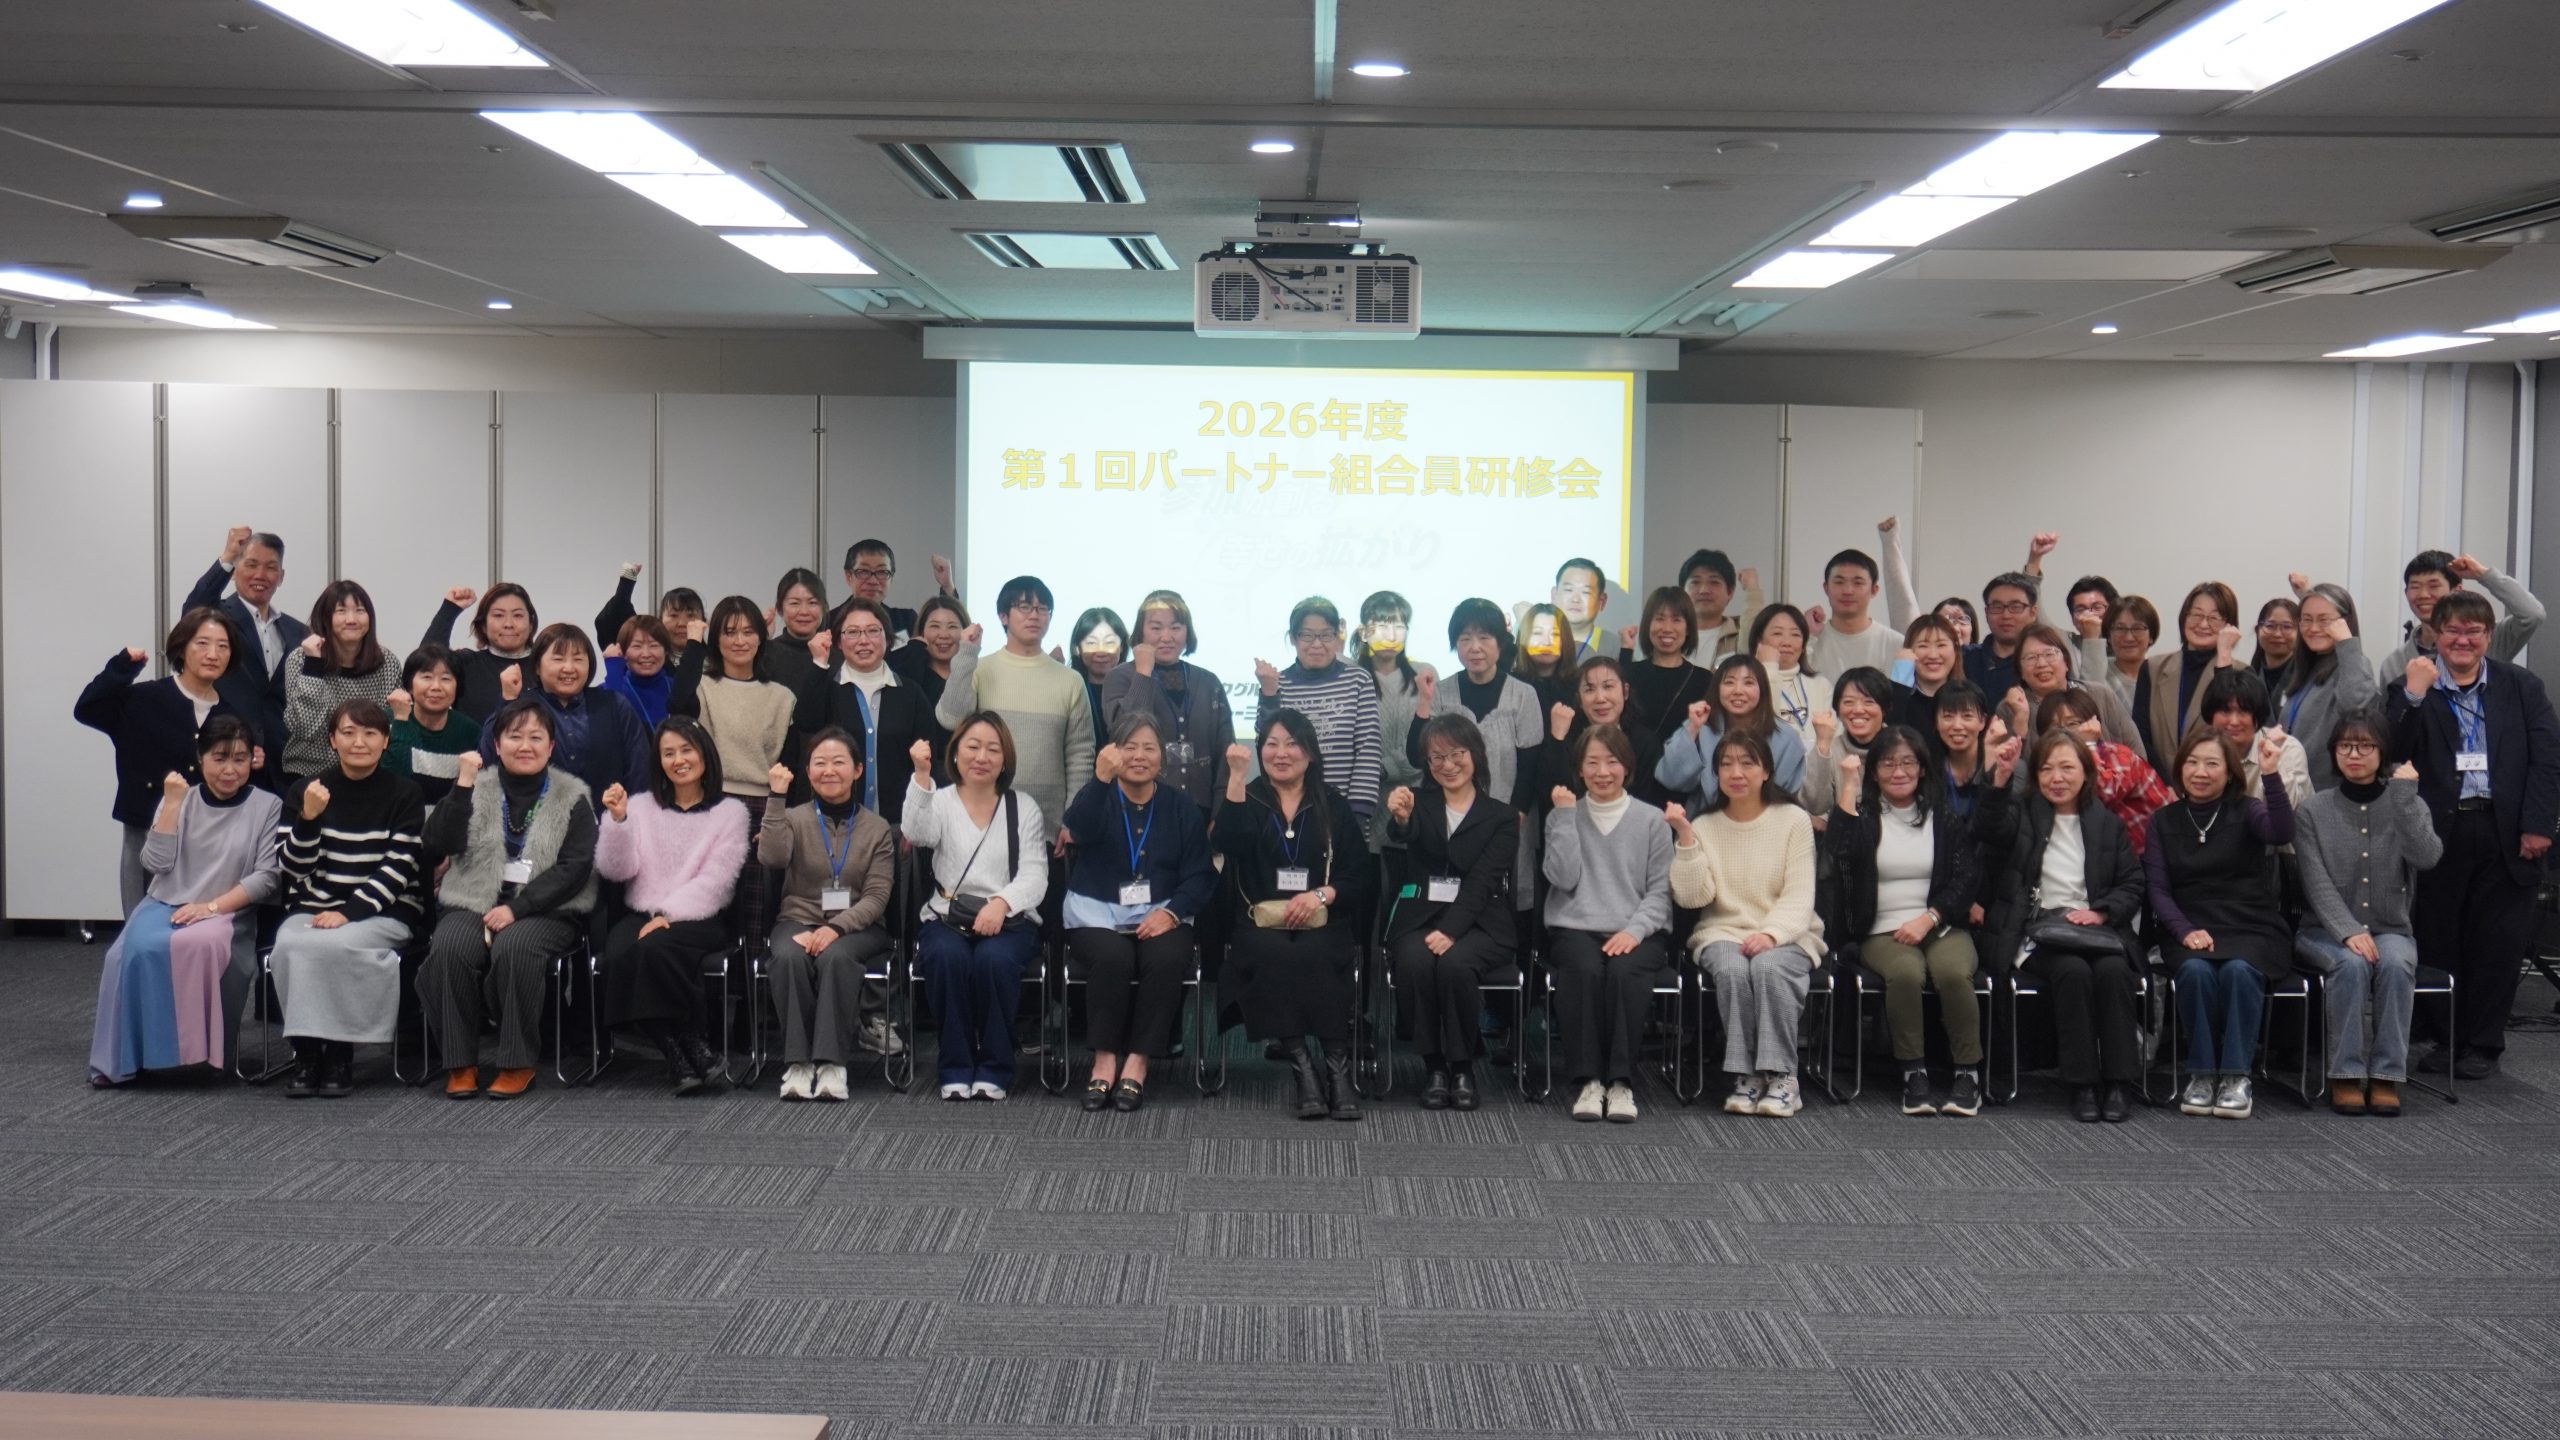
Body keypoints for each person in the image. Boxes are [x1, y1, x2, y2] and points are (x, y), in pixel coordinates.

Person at [2389, 592, 2560, 1080]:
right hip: (2438, 832)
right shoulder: (2412, 684)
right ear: (2436, 635)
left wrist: (2538, 825)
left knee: (2498, 943)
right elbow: (2392, 751)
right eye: (2452, 631)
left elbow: (2548, 760)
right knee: (2441, 939)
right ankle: (2447, 1039)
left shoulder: (2520, 686)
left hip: (2508, 831)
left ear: (2488, 635)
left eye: (2474, 631)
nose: (2462, 640)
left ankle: (2483, 1044)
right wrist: (2414, 695)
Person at [415, 696, 598, 1101]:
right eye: (515, 737)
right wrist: (461, 788)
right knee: (450, 946)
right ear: (497, 745)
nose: (525, 746)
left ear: (551, 746)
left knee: (515, 947)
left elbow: (575, 867)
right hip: (473, 899)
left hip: (547, 909)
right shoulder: (476, 787)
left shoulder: (572, 796)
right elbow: (437, 843)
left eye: (536, 737)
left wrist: (518, 908)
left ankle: (517, 1061)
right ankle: (460, 1061)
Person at [88, 715, 281, 1086]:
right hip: (164, 903)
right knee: (128, 953)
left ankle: (195, 1055)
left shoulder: (267, 805)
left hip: (226, 909)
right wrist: (173, 806)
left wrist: (211, 908)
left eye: (239, 759)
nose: (230, 770)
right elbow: (155, 864)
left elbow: (266, 877)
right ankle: (129, 1059)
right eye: (219, 758)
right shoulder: (179, 798)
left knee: (201, 944)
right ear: (201, 758)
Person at [1978, 730, 2147, 1123]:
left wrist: (2102, 912)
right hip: (2036, 932)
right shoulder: (2022, 814)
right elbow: (1988, 827)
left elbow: (2133, 882)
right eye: (2046, 769)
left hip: (2095, 930)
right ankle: (2082, 1084)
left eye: (2067, 768)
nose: (2057, 777)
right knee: (2072, 972)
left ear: (2086, 773)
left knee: (2113, 971)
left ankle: (2119, 1082)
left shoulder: (2106, 823)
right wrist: (2000, 777)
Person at [1823, 723, 1986, 1117]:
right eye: (1888, 764)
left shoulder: (1942, 817)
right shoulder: (1863, 816)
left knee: (1952, 973)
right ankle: (1914, 1073)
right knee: (1906, 973)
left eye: (1908, 763)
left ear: (1922, 768)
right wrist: (1849, 784)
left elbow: (1966, 877)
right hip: (1881, 929)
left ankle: (1968, 1074)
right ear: (1875, 771)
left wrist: (1930, 918)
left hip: (1939, 923)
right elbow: (1839, 850)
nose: (1899, 772)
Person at [270, 699, 427, 1098]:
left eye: (370, 733)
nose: (359, 742)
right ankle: (307, 1054)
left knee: (336, 945)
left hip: (386, 908)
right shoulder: (307, 790)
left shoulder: (405, 793)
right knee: (288, 945)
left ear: (386, 740)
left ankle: (340, 1054)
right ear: (332, 740)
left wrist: (348, 912)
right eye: (348, 732)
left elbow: (399, 867)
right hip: (314, 905)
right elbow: (293, 868)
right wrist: (308, 819)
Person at [1219, 710, 1372, 1120]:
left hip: (1322, 918)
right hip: (1259, 921)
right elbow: (1228, 843)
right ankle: (1304, 1068)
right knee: (1278, 955)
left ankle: (1337, 1069)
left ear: (1311, 753)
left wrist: (1322, 895)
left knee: (1317, 954)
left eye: (1292, 744)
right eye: (1271, 744)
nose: (1281, 753)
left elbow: (1358, 874)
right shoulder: (1248, 796)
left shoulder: (1332, 804)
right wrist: (1236, 778)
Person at [1060, 714, 1216, 1112]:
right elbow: (1079, 829)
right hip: (1096, 911)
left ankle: (1138, 1062)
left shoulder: (1181, 807)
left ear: (1162, 756)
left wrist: (1173, 913)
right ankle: (1104, 1060)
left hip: (1162, 910)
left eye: (1149, 748)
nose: (1139, 756)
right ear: (1113, 752)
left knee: (1166, 958)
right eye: (1129, 747)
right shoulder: (1098, 796)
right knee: (1113, 957)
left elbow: (1200, 874)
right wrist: (1100, 780)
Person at [2293, 716, 2441, 1116]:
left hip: (2391, 927)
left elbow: (2427, 857)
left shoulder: (2407, 802)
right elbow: (2315, 882)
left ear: (2382, 752)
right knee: (2351, 963)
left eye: (2365, 747)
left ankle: (2386, 1075)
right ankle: (2345, 1074)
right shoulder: (2313, 810)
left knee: (2395, 963)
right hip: (2323, 931)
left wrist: (2404, 800)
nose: (2354, 755)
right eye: (2345, 746)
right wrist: (2346, 931)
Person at [1672, 731, 1824, 1118]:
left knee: (1769, 967)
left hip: (1789, 931)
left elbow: (1800, 894)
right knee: (1733, 970)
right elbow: (1693, 898)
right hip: (1722, 932)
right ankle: (1748, 1075)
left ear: (1766, 771)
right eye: (1726, 764)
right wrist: (1686, 839)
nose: (1736, 772)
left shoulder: (1793, 819)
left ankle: (1783, 1076)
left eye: (1747, 763)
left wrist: (1771, 934)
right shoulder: (1705, 824)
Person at [596, 716, 751, 1095]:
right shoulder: (638, 806)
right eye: (668, 753)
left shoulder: (731, 811)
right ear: (658, 761)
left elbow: (717, 880)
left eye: (687, 750)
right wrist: (618, 822)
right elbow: (616, 870)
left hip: (699, 915)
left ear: (704, 755)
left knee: (653, 949)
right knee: (618, 954)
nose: (678, 760)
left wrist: (668, 914)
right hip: (641, 911)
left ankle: (688, 1048)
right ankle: (685, 1051)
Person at [2150, 726, 2297, 1120]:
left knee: (2238, 970)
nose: (2201, 772)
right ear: (2180, 768)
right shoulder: (2162, 820)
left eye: (2212, 764)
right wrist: (2184, 930)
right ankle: (2201, 1074)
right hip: (2188, 925)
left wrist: (2270, 773)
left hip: (2250, 925)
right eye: (2192, 763)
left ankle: (2235, 1076)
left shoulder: (2247, 809)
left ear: (2230, 772)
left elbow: (2282, 831)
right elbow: (2158, 889)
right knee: (2195, 971)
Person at [905, 713, 1049, 1100]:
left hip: (1010, 919)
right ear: (955, 753)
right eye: (973, 746)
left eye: (993, 749)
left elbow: (1035, 875)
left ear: (1005, 759)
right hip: (947, 917)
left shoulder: (1023, 807)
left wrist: (1001, 904)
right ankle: (955, 1066)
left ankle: (995, 1068)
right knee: (946, 958)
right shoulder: (939, 800)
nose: (982, 757)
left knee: (994, 961)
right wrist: (921, 777)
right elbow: (915, 833)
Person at [1383, 713, 1521, 1111]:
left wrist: (1451, 930)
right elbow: (1402, 833)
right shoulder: (1418, 802)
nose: (1448, 764)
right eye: (1436, 757)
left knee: (1456, 964)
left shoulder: (1502, 816)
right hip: (1419, 917)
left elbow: (1482, 882)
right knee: (1413, 961)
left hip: (1481, 922)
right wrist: (1402, 818)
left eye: (1456, 753)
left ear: (1474, 754)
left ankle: (1462, 1068)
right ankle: (1434, 1067)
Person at [76, 610, 251, 914]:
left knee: (196, 929)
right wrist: (122, 667)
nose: (213, 654)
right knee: (142, 926)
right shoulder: (142, 699)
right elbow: (87, 708)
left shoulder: (231, 715)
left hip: (208, 842)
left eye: (223, 646)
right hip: (145, 834)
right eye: (202, 643)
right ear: (181, 648)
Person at [1543, 722, 1674, 1123]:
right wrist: (1565, 818)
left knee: (1624, 972)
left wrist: (1634, 931)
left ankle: (1621, 1083)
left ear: (1627, 767)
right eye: (1592, 763)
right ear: (1579, 770)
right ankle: (1589, 1081)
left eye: (1612, 762)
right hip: (1575, 925)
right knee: (1583, 970)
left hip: (1638, 928)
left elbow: (1660, 892)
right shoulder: (1562, 815)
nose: (1603, 772)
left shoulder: (1653, 820)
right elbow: (1563, 879)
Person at [759, 729, 897, 1101]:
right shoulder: (793, 818)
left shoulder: (877, 828)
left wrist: (835, 928)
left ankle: (833, 1063)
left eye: (839, 762)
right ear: (807, 772)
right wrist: (776, 798)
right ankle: (799, 1063)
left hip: (858, 926)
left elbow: (877, 896)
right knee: (788, 956)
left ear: (857, 770)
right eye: (819, 763)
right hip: (798, 919)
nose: (829, 771)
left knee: (836, 957)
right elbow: (771, 857)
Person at [671, 595, 803, 950]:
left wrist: (779, 815)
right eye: (729, 632)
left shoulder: (781, 696)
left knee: (757, 910)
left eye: (748, 631)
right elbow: (678, 708)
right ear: (716, 639)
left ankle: (753, 983)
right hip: (712, 804)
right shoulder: (702, 687)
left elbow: (789, 764)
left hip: (765, 807)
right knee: (708, 904)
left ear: (762, 637)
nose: (739, 640)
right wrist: (694, 644)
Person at [938, 575, 1094, 849]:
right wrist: (966, 654)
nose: (1034, 615)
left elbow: (1080, 755)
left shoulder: (1070, 680)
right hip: (982, 822)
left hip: (1047, 828)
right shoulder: (980, 668)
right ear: (1003, 616)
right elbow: (950, 718)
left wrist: (1073, 819)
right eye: (1024, 607)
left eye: (1042, 608)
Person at [182, 526, 303, 781]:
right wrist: (227, 557)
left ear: (281, 576)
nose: (260, 574)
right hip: (228, 760)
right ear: (235, 570)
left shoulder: (299, 632)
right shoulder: (217, 617)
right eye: (251, 564)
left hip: (284, 766)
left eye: (271, 567)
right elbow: (193, 609)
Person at [799, 596, 934, 826]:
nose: (863, 640)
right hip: (836, 825)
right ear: (839, 642)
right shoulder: (827, 688)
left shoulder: (910, 693)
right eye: (852, 632)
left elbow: (927, 759)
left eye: (873, 631)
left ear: (887, 639)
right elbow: (806, 722)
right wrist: (819, 663)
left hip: (899, 825)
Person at [482, 623, 651, 801]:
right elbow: (488, 759)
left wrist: (631, 813)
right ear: (538, 666)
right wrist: (508, 700)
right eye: (558, 659)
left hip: (607, 815)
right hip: (535, 815)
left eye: (578, 659)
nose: (569, 668)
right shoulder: (522, 706)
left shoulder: (614, 704)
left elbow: (639, 767)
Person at [1407, 599, 1544, 815]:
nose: (1475, 647)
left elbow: (1530, 767)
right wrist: (1424, 700)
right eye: (1465, 639)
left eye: (1484, 638)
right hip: (1449, 816)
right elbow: (1417, 758)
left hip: (1506, 815)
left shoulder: (1523, 694)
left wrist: (1517, 814)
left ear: (1500, 643)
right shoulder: (1441, 692)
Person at [1100, 590, 1232, 813]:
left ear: (1187, 632)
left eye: (1176, 627)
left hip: (1201, 808)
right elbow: (1123, 732)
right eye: (1156, 628)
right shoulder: (1120, 677)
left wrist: (1221, 811)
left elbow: (1225, 750)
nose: (1167, 637)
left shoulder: (1209, 682)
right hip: (1139, 807)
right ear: (1141, 631)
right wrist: (1143, 673)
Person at [1254, 596, 1381, 821]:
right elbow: (1266, 745)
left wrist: (1357, 813)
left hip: (1347, 811)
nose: (1316, 644)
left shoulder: (1358, 680)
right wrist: (1269, 694)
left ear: (1337, 636)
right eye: (1307, 635)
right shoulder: (1278, 682)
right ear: (1293, 638)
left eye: (1326, 635)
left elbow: (1368, 749)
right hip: (1290, 811)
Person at [280, 579, 401, 786]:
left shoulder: (386, 662)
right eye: (341, 611)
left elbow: (388, 726)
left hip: (368, 774)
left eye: (360, 610)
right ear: (325, 617)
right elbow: (304, 728)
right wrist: (313, 665)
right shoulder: (301, 659)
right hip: (309, 773)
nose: (351, 619)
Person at [2033, 689, 2173, 856]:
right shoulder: (2048, 762)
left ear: (2093, 724)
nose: (2064, 733)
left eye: (2073, 724)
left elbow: (2104, 794)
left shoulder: (2117, 754)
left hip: (2153, 852)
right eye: (2054, 728)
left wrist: (2088, 745)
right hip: (2105, 853)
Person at [1658, 654, 1806, 806]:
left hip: (1769, 816)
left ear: (1762, 689)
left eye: (1748, 683)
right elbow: (1671, 779)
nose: (1738, 691)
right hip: (1708, 816)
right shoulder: (1701, 725)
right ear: (1717, 688)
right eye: (1729, 682)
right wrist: (1692, 729)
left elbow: (1789, 798)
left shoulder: (1786, 739)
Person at [2273, 584, 2380, 791]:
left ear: (2345, 622)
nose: (2313, 628)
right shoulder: (2306, 668)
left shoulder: (2354, 665)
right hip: (2292, 788)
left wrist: (2346, 643)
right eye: (2306, 619)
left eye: (2324, 620)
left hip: (2328, 793)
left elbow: (2356, 711)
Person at [2381, 550, 2545, 683]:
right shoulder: (2395, 662)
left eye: (2434, 586)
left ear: (2456, 591)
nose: (2423, 595)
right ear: (2406, 593)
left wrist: (2483, 574)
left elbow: (2532, 614)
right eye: (2415, 587)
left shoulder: (2484, 639)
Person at [1353, 592, 1433, 843]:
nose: (1391, 636)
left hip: (1416, 799)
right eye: (1382, 626)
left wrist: (1383, 769)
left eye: (1399, 626)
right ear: (1364, 632)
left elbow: (1430, 743)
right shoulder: (1351, 677)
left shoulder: (1424, 674)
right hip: (1364, 802)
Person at [2138, 582, 2241, 771]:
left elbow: (2231, 729)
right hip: (2159, 782)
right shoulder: (2153, 668)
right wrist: (2164, 783)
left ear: (2229, 625)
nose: (2203, 624)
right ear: (2184, 617)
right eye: (2196, 615)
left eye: (2214, 618)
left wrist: (2225, 656)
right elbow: (2140, 735)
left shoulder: (2241, 672)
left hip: (2212, 779)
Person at [1544, 656, 1667, 807]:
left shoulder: (1644, 742)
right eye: (1589, 689)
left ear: (1625, 692)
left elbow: (1645, 802)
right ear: (1579, 699)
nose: (1600, 698)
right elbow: (1550, 795)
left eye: (1608, 686)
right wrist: (1557, 739)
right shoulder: (1566, 735)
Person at [2008, 623, 2141, 753]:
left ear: (2066, 662)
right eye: (2031, 658)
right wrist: (2020, 721)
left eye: (2049, 654)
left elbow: (2136, 751)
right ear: (2020, 671)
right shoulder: (2012, 707)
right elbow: (2014, 765)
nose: (2041, 664)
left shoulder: (2099, 694)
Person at [423, 583, 538, 723]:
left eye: (518, 615)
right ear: (483, 625)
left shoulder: (543, 667)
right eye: (498, 615)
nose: (508, 624)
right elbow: (426, 662)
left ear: (531, 623)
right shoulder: (467, 663)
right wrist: (450, 609)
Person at [2199, 668, 2312, 810]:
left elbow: (2293, 810)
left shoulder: (2286, 748)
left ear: (2258, 715)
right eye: (2225, 711)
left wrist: (2273, 768)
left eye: (2243, 711)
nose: (2234, 721)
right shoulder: (2199, 749)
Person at [386, 646, 480, 810]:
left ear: (457, 686)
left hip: (446, 823)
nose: (436, 687)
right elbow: (391, 784)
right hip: (396, 820)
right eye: (427, 677)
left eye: (446, 679)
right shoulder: (387, 721)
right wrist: (401, 721)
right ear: (410, 685)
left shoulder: (470, 732)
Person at [1619, 586, 1714, 747]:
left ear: (1688, 628)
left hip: (1684, 762)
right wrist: (1626, 651)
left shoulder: (1704, 680)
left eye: (1676, 620)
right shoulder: (1632, 673)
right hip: (1635, 761)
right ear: (1648, 625)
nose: (1667, 628)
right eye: (1660, 619)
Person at [1800, 666, 1894, 817]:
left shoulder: (1900, 747)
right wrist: (1822, 744)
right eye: (1848, 702)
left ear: (1884, 708)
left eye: (1868, 702)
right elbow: (1815, 805)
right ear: (1837, 709)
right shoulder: (1831, 750)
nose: (1858, 710)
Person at [1749, 604, 1831, 768]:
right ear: (1759, 641)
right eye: (1777, 633)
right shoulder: (1747, 684)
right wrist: (1769, 669)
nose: (1787, 642)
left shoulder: (1820, 684)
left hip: (1817, 773)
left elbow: (1833, 736)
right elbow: (1762, 728)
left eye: (1795, 635)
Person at [829, 539, 957, 644]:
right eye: (863, 572)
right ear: (848, 576)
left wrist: (947, 587)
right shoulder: (829, 622)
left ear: (892, 577)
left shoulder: (906, 621)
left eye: (882, 572)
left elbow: (945, 638)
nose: (873, 581)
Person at [1805, 546, 1904, 679]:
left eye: (1858, 583)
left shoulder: (1896, 644)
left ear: (1874, 590)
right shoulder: (1810, 643)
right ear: (1826, 588)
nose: (1848, 591)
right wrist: (1806, 635)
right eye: (1839, 582)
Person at [593, 560, 703, 671]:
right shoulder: (647, 659)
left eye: (691, 615)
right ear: (660, 620)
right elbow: (610, 622)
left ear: (703, 621)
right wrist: (626, 585)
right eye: (674, 615)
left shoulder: (712, 660)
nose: (682, 623)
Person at [1964, 572, 2044, 704]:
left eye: (2016, 607)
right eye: (1997, 607)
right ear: (1986, 613)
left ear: (2033, 612)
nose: (2006, 615)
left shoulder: (2044, 662)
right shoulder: (1965, 658)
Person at [1677, 548, 1763, 664]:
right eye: (1695, 582)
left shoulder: (1738, 635)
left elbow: (1754, 630)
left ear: (1730, 592)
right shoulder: (1671, 633)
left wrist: (1752, 589)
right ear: (1682, 591)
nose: (1704, 590)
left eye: (1714, 582)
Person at [2078, 594, 2160, 715]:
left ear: (2151, 636)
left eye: (2137, 628)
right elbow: (2087, 708)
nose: (2129, 637)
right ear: (2108, 636)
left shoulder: (2161, 676)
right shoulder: (2097, 673)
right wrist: (2091, 638)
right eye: (2120, 628)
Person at [757, 567, 833, 696]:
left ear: (824, 607)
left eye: (812, 602)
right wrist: (761, 640)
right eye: (794, 603)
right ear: (779, 609)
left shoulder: (837, 658)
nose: (804, 611)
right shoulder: (765, 654)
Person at [1889, 614, 1966, 735]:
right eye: (1923, 646)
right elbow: (1889, 736)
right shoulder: (1896, 697)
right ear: (1909, 651)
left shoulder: (1969, 698)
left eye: (1941, 645)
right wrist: (1899, 686)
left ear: (1955, 649)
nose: (1933, 655)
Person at [1067, 606, 1130, 752]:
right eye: (1091, 643)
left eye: (1109, 643)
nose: (1101, 652)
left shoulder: (1135, 688)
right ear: (1078, 648)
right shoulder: (1069, 689)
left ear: (1122, 646)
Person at [1932, 681, 1995, 823]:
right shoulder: (1928, 772)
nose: (1957, 726)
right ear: (1936, 722)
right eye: (1948, 716)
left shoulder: (2001, 769)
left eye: (1967, 716)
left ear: (1982, 721)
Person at [601, 614, 678, 729]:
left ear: (666, 651)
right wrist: (613, 666)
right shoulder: (608, 688)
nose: (646, 654)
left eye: (654, 645)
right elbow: (609, 723)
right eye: (637, 646)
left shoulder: (677, 688)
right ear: (623, 652)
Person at [1511, 601, 1578, 706]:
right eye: (1537, 633)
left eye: (1555, 634)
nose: (1546, 642)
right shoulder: (1510, 686)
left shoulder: (1579, 686)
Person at [1549, 557, 1611, 665]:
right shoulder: (1537, 639)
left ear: (1601, 601)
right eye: (1569, 590)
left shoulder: (1615, 646)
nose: (1575, 599)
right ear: (1554, 595)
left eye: (1586, 592)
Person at [2251, 598, 2299, 687]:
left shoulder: (2309, 678)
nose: (2277, 634)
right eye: (2270, 626)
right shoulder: (2249, 677)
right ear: (2257, 630)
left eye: (2287, 627)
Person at [2063, 576, 2120, 644]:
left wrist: (2091, 638)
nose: (2089, 615)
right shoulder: (2065, 645)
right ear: (2073, 619)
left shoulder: (2126, 642)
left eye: (2097, 607)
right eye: (2081, 610)